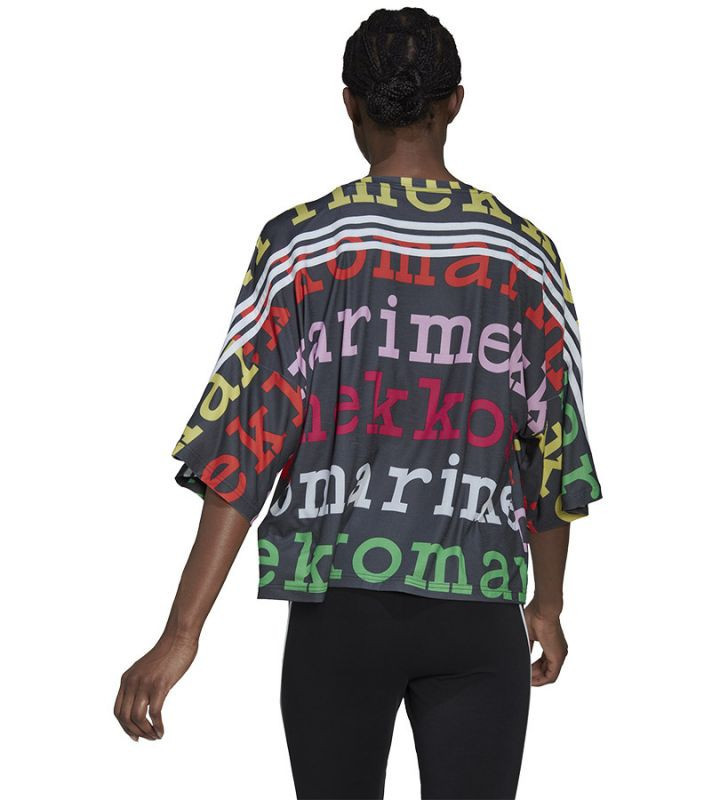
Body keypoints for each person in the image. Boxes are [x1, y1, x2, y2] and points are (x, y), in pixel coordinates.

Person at [114, 7, 603, 799]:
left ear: (350, 103)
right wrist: (546, 605)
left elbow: (246, 444)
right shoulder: (524, 254)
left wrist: (181, 634)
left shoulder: (301, 245)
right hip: (479, 611)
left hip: (339, 610)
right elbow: (553, 446)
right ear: (456, 101)